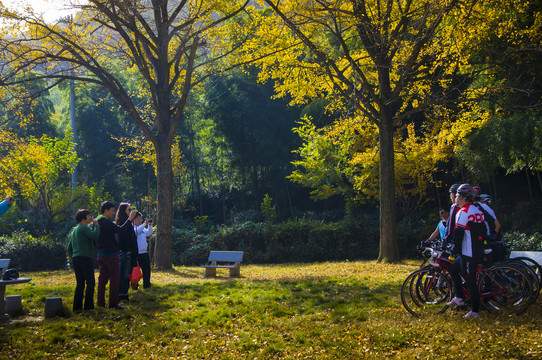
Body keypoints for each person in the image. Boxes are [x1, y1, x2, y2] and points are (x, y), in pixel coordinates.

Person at [446, 184, 487, 319]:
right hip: (477, 249)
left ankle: (475, 311)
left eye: (457, 195)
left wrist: (453, 249)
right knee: (453, 268)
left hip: (469, 253)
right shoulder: (477, 210)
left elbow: (459, 234)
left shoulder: (462, 212)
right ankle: (459, 297)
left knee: (470, 282)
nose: (456, 198)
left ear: (463, 197)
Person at [95, 201, 136, 310]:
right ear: (106, 210)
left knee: (102, 280)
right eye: (112, 210)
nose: (114, 213)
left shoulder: (96, 222)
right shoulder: (106, 222)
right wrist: (130, 219)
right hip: (110, 254)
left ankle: (101, 303)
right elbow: (120, 230)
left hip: (100, 254)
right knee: (114, 279)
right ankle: (113, 304)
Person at [67, 209, 100, 312]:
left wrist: (73, 256)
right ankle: (88, 307)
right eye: (89, 215)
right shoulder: (84, 227)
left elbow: (69, 247)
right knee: (90, 282)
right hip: (85, 257)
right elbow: (94, 235)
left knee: (80, 283)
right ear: (83, 218)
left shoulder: (75, 230)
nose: (90, 217)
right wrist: (97, 225)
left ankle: (77, 307)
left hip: (76, 258)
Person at [116, 203, 138, 302]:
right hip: (125, 253)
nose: (130, 212)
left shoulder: (128, 222)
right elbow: (123, 234)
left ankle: (124, 293)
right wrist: (130, 219)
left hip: (129, 253)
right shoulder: (122, 222)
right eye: (128, 210)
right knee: (123, 276)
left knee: (127, 275)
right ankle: (121, 295)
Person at [133, 212, 153, 289]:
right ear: (134, 219)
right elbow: (136, 231)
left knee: (147, 269)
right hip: (136, 253)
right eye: (139, 219)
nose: (140, 220)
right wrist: (144, 223)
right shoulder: (133, 227)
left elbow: (148, 233)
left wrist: (150, 225)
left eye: (141, 219)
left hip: (144, 252)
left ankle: (147, 284)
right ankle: (135, 285)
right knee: (136, 271)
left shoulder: (143, 228)